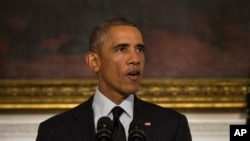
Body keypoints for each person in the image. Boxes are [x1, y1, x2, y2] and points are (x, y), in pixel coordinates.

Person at [36, 18, 192, 141]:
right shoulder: (55, 131)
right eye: (122, 49)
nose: (135, 59)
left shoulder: (172, 125)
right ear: (94, 62)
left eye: (139, 49)